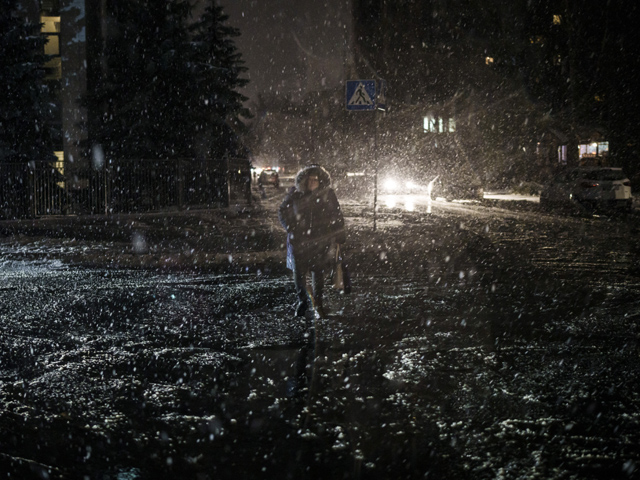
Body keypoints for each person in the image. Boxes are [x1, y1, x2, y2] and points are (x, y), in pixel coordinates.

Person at [278, 165, 346, 319]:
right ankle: (302, 301)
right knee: (299, 274)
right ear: (304, 180)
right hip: (299, 242)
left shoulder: (327, 195)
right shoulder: (295, 194)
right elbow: (282, 210)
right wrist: (291, 227)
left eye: (316, 179)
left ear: (321, 180)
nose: (313, 182)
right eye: (310, 180)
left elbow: (337, 215)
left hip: (320, 242)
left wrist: (339, 235)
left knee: (318, 273)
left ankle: (318, 304)